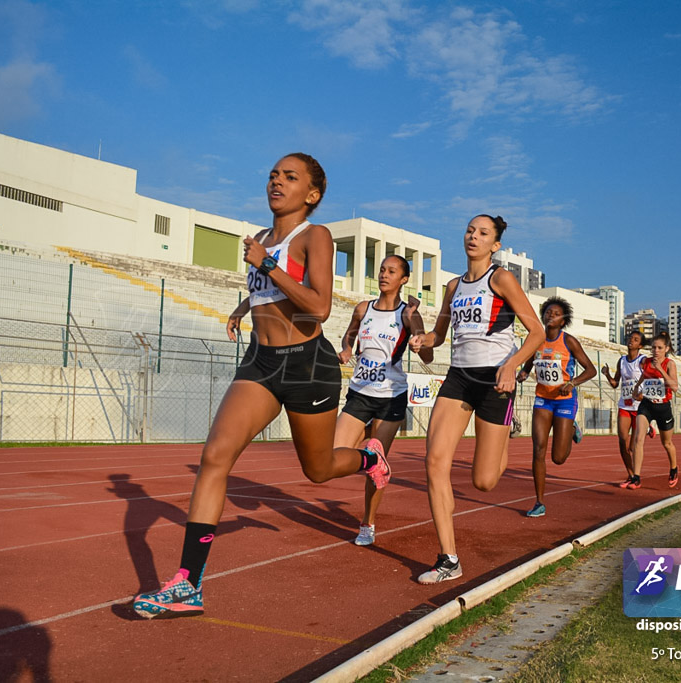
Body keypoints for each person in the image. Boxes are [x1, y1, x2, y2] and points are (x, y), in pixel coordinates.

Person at [133, 153, 391, 619]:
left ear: (311, 194)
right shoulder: (262, 239)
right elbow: (266, 294)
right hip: (260, 362)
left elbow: (319, 304)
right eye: (274, 174)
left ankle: (368, 456)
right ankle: (189, 583)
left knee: (318, 469)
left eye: (290, 177)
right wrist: (241, 308)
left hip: (308, 365)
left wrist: (268, 264)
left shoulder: (315, 235)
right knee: (215, 458)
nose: (277, 180)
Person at [409, 215, 544, 583]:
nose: (473, 236)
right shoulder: (453, 287)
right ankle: (448, 559)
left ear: (495, 245)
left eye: (483, 233)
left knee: (484, 481)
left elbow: (537, 331)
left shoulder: (500, 278)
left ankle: (505, 430)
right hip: (458, 378)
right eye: (470, 230)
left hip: (494, 381)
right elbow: (439, 336)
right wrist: (422, 339)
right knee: (434, 461)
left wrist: (511, 366)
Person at [335, 255, 432, 546]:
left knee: (375, 472)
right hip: (359, 393)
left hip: (391, 396)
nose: (384, 275)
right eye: (381, 270)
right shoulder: (363, 308)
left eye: (392, 271)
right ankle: (372, 452)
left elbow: (428, 355)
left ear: (404, 279)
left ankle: (368, 523)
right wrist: (346, 349)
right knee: (335, 454)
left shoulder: (408, 314)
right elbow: (349, 335)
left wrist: (419, 343)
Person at [516, 297, 596, 517]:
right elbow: (530, 362)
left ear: (563, 321)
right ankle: (539, 502)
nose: (550, 315)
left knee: (558, 458)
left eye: (556, 313)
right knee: (538, 449)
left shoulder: (569, 342)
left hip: (565, 399)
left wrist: (572, 382)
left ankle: (571, 429)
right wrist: (524, 372)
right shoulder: (536, 339)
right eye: (548, 312)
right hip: (543, 399)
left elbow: (591, 370)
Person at [628, 332, 680, 489]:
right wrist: (637, 387)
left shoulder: (670, 364)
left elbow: (675, 387)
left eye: (659, 348)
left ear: (666, 348)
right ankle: (636, 477)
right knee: (638, 439)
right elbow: (645, 375)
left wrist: (661, 370)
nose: (656, 351)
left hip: (663, 407)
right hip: (647, 404)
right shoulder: (647, 362)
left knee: (667, 443)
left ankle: (674, 469)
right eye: (653, 348)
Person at [600, 330, 647, 489]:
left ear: (640, 345)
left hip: (639, 407)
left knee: (633, 447)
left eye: (635, 340)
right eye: (630, 338)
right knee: (622, 440)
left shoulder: (642, 361)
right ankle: (631, 475)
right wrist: (607, 375)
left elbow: (651, 378)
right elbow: (615, 384)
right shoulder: (621, 361)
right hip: (625, 405)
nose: (630, 341)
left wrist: (643, 394)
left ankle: (635, 474)